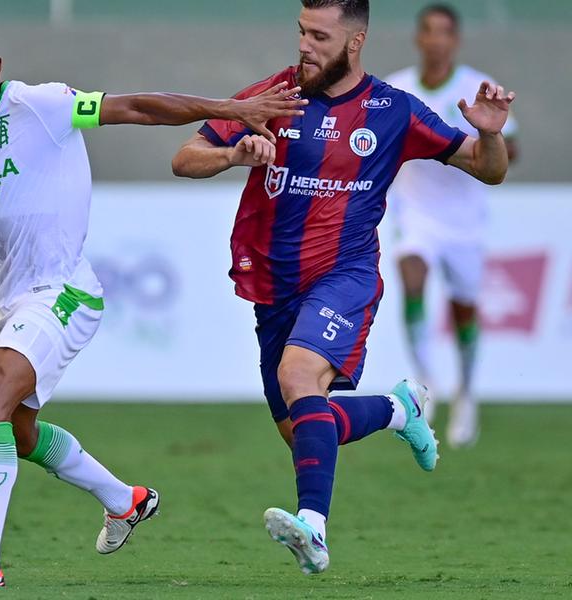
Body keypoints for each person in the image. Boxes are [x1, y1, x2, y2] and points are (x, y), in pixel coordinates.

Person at [0, 20, 306, 588]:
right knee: (17, 434)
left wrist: (230, 109)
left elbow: (139, 107)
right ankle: (125, 501)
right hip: (12, 303)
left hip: (64, 290)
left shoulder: (41, 106)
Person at [171, 0, 513, 575]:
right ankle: (397, 409)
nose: (305, 45)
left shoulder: (392, 110)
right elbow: (185, 157)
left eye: (320, 36)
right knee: (305, 429)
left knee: (299, 376)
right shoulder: (271, 97)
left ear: (354, 43)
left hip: (344, 276)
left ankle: (314, 530)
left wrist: (491, 136)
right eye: (302, 32)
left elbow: (488, 167)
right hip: (274, 290)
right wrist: (234, 153)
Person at [385, 3, 518, 446]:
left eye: (444, 32)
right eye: (428, 31)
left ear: (454, 40)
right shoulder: (398, 89)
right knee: (412, 278)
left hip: (463, 221)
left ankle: (466, 392)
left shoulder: (476, 89)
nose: (435, 39)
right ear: (419, 38)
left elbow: (508, 152)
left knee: (464, 309)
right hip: (414, 213)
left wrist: (483, 138)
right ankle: (428, 384)